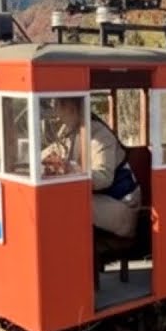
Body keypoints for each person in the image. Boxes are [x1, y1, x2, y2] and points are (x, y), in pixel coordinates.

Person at [42, 97, 141, 239]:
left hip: (122, 205)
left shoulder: (100, 135)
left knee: (68, 203)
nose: (55, 112)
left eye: (58, 104)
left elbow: (104, 178)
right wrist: (32, 160)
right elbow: (53, 152)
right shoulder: (68, 130)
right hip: (97, 199)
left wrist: (70, 169)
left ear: (72, 108)